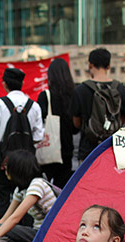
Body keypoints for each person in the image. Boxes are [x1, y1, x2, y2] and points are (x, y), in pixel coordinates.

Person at [0, 68, 44, 218]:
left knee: (3, 196)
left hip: (3, 160)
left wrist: (3, 148)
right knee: (25, 197)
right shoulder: (34, 105)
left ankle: (2, 233)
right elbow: (38, 137)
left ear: (4, 84)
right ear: (22, 83)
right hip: (26, 161)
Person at [0, 149, 56, 242]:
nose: (5, 170)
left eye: (7, 167)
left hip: (49, 233)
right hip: (38, 231)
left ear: (17, 169)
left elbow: (15, 218)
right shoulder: (21, 189)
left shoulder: (37, 185)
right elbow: (5, 218)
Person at [71, 47, 125, 163]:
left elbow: (76, 123)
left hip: (88, 150)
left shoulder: (80, 90)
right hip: (114, 150)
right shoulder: (120, 89)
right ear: (109, 66)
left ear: (90, 65)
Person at [36, 58, 76, 188]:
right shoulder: (74, 95)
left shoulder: (45, 96)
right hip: (67, 151)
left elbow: (38, 123)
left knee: (45, 189)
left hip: (48, 150)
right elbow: (75, 128)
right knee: (63, 190)